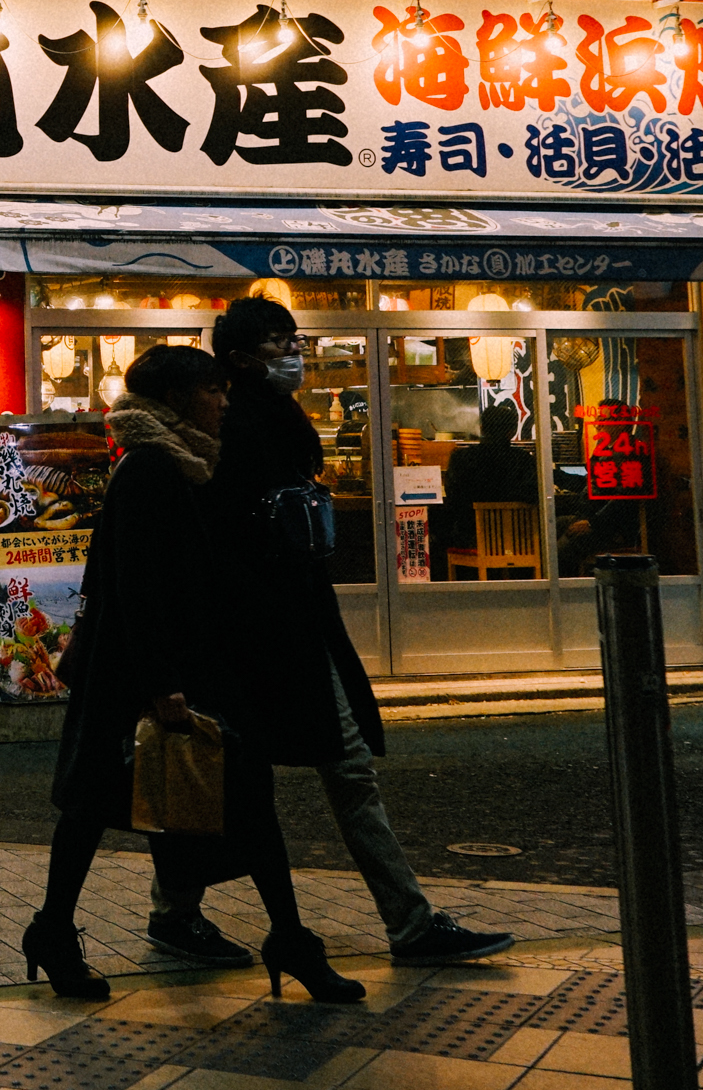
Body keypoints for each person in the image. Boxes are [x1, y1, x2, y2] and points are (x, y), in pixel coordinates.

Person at [171, 297, 513, 969]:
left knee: (268, 768)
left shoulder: (265, 420)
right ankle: (403, 922)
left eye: (292, 338)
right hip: (272, 629)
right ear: (239, 359)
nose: (292, 353)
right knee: (310, 767)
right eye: (277, 343)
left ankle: (178, 909)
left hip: (284, 624)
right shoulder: (231, 430)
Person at [31, 343, 361, 1004]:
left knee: (236, 799)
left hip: (165, 668)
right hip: (145, 676)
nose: (223, 401)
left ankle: (289, 938)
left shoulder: (176, 464)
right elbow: (137, 584)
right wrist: (163, 683)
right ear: (181, 399)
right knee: (99, 809)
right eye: (213, 391)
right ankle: (56, 931)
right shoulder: (152, 469)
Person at [440, 400, 539, 563]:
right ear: (512, 432)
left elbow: (453, 496)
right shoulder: (523, 460)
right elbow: (533, 494)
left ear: (482, 428)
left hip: (471, 539)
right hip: (517, 541)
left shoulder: (460, 458)